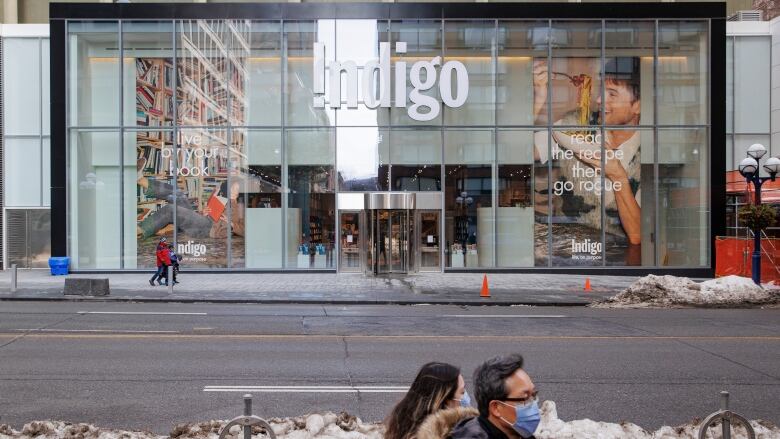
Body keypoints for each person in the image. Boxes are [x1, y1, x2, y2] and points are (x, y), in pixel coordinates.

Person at [533, 57, 642, 258]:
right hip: (564, 257)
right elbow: (521, 151)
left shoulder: (648, 152)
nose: (600, 100)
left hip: (620, 264)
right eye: (601, 91)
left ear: (638, 106)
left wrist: (618, 176)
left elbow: (637, 236)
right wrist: (539, 98)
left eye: (612, 94)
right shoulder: (576, 124)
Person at [448, 354, 540, 439]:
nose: (534, 405)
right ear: (496, 408)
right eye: (525, 398)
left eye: (533, 395)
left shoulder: (518, 434)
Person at [385, 362, 474, 439]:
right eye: (462, 392)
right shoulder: (458, 434)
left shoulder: (398, 428)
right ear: (447, 401)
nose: (465, 396)